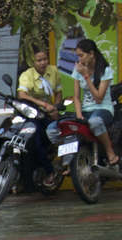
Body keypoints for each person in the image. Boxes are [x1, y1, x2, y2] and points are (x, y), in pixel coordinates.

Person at [47, 38, 119, 167]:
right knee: (52, 129)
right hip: (85, 110)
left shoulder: (105, 70)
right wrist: (79, 115)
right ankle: (68, 158)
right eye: (78, 56)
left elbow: (98, 98)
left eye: (82, 55)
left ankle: (110, 151)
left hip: (103, 109)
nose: (79, 60)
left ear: (91, 54)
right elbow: (76, 97)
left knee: (94, 122)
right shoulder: (78, 70)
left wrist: (86, 76)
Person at [16, 48, 62, 187]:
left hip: (48, 114)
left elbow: (58, 92)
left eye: (45, 59)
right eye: (39, 60)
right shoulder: (27, 75)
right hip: (32, 113)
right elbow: (22, 95)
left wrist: (55, 107)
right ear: (33, 62)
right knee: (35, 138)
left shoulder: (53, 71)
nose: (43, 63)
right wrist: (42, 104)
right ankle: (48, 170)